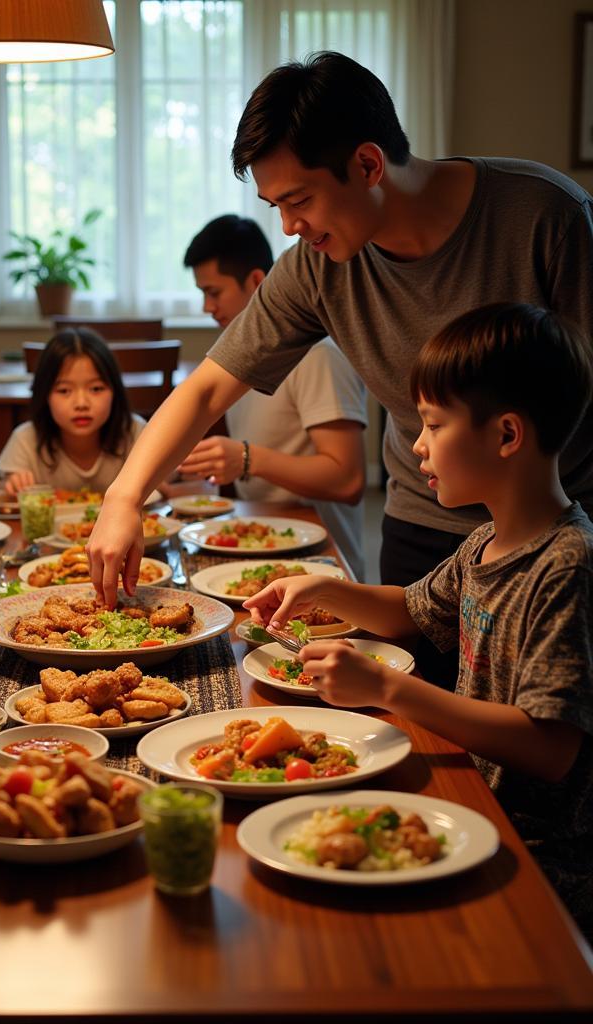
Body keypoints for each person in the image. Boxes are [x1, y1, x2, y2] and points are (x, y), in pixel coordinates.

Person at [87, 51, 593, 690]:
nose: (290, 227)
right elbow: (210, 386)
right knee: (423, 733)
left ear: (368, 164)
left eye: (298, 200)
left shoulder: (545, 217)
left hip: (560, 528)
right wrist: (124, 496)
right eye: (275, 206)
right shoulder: (316, 264)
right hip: (428, 530)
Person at [244, 303, 593, 936]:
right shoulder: (488, 541)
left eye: (432, 425)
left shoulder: (567, 564)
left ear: (506, 435)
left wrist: (388, 690)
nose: (417, 445)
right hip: (477, 806)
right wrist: (321, 587)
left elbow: (550, 748)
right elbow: (410, 609)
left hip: (542, 863)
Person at [176, 214, 367, 579]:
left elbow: (348, 480)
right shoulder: (239, 358)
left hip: (319, 562)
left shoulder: (318, 355)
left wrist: (247, 458)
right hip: (262, 541)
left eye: (213, 292)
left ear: (256, 281)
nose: (206, 307)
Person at [0, 328, 155, 496]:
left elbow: (168, 489)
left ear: (115, 391)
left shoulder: (135, 433)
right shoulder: (27, 439)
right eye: (64, 391)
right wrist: (11, 484)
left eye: (96, 389)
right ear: (44, 395)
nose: (81, 404)